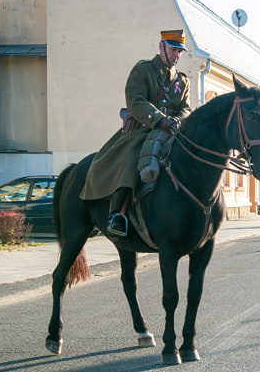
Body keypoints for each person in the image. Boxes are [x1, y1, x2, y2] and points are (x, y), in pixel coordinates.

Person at [80, 29, 191, 237]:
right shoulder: (143, 71)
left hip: (173, 132)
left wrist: (179, 119)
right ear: (161, 47)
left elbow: (186, 107)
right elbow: (135, 101)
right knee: (131, 159)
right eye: (173, 49)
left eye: (180, 52)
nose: (176, 55)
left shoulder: (182, 81)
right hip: (143, 129)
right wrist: (160, 119)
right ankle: (117, 214)